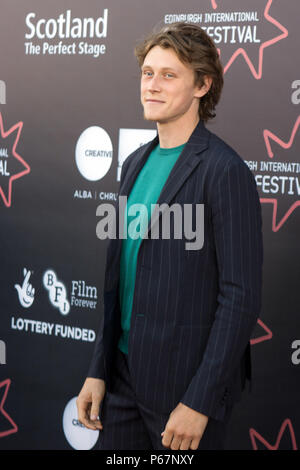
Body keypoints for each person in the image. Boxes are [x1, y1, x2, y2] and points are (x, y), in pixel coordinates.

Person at [76, 22, 263, 451]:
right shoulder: (134, 164)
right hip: (122, 383)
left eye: (168, 74)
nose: (152, 85)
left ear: (202, 85)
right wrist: (98, 369)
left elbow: (241, 297)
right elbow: (118, 284)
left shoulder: (224, 171)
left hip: (184, 392)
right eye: (147, 73)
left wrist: (200, 400)